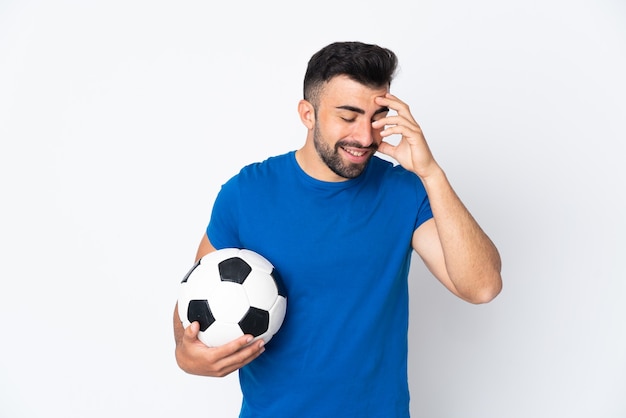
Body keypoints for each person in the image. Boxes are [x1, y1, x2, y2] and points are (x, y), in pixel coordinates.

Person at [173, 41, 502, 417]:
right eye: (348, 116)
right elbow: (196, 297)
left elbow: (482, 286)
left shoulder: (404, 191)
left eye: (377, 116)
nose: (365, 137)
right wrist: (186, 352)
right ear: (307, 114)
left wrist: (431, 173)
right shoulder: (246, 193)